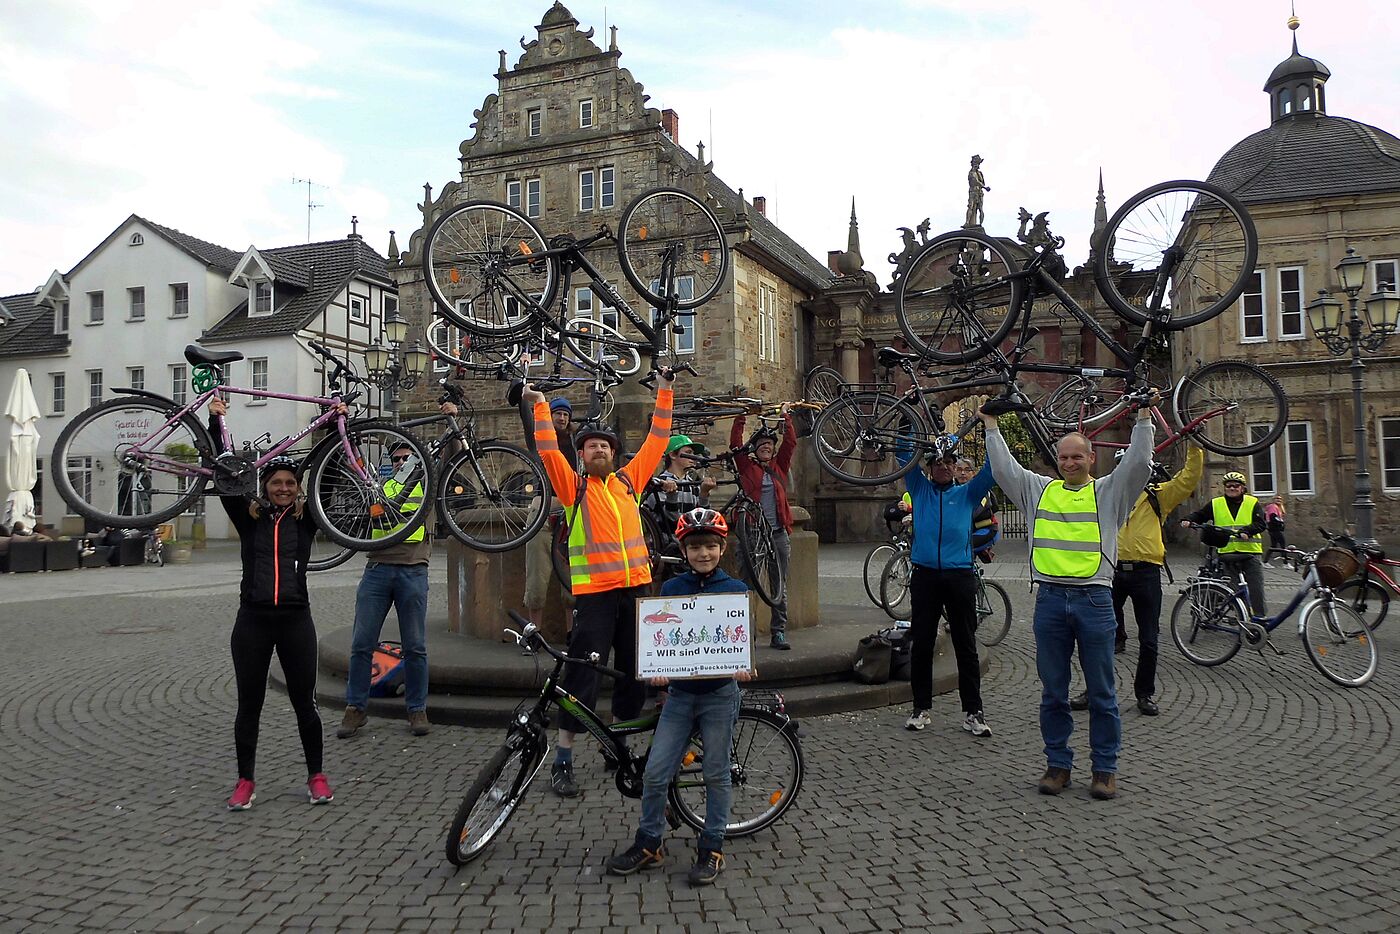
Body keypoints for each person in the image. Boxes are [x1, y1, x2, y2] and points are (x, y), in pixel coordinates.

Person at [981, 402, 1155, 801]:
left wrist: (1145, 419)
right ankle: (1057, 765)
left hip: (1095, 599)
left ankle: (1104, 769)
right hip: (1049, 600)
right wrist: (990, 426)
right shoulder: (1040, 491)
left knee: (1102, 693)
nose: (1069, 463)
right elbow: (1005, 470)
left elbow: (1138, 465)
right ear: (1056, 460)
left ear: (1091, 459)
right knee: (1053, 692)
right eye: (1063, 457)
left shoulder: (1108, 492)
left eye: (1077, 456)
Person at [523, 370, 676, 797]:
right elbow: (547, 449)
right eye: (591, 446)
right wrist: (539, 405)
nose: (599, 450)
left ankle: (617, 744)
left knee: (632, 674)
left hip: (635, 592)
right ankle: (564, 757)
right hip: (594, 597)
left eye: (605, 446)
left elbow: (657, 441)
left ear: (614, 453)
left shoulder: (629, 482)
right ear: (582, 455)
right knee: (582, 676)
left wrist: (665, 392)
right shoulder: (573, 488)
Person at [605, 508, 754, 886]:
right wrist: (657, 669)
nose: (703, 553)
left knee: (716, 773)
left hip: (719, 695)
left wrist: (743, 663)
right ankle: (650, 842)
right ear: (684, 551)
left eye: (710, 546)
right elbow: (659, 637)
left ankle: (712, 846)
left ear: (722, 548)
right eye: (695, 547)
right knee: (655, 773)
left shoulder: (734, 589)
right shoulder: (671, 589)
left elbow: (740, 637)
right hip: (680, 696)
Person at [208, 398, 332, 811]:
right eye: (276, 483)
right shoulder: (249, 518)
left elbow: (331, 473)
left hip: (296, 621)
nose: (283, 488)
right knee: (249, 705)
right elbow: (222, 472)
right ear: (265, 487)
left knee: (305, 703)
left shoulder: (307, 519)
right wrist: (215, 421)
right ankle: (245, 780)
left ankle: (316, 776)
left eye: (290, 484)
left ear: (298, 488)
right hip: (253, 622)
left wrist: (338, 425)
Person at [337, 402, 460, 740]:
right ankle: (355, 708)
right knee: (361, 643)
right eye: (396, 459)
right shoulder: (381, 487)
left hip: (413, 571)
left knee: (415, 646)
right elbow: (351, 463)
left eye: (407, 458)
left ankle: (417, 709)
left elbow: (450, 459)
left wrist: (450, 421)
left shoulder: (427, 484)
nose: (401, 463)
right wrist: (342, 424)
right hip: (377, 569)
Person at [1072, 445, 1204, 717]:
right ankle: (1094, 690)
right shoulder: (1107, 493)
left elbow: (1188, 478)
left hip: (1146, 573)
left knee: (1149, 639)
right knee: (1097, 635)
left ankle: (1145, 694)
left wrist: (1194, 445)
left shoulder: (1158, 496)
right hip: (1112, 571)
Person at [900, 440, 997, 737]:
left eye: (949, 462)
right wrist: (909, 423)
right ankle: (920, 708)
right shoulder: (919, 489)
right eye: (937, 462)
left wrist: (991, 428)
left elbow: (992, 469)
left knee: (965, 644)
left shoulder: (967, 493)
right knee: (923, 643)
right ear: (929, 468)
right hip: (925, 575)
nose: (943, 466)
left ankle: (973, 712)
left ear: (956, 468)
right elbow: (903, 455)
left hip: (959, 575)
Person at [730, 407, 798, 649]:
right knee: (747, 585)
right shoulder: (746, 467)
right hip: (751, 532)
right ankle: (747, 633)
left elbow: (790, 442)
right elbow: (735, 444)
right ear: (755, 448)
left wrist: (786, 417)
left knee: (779, 584)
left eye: (769, 444)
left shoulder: (779, 466)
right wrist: (741, 416)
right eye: (761, 444)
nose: (766, 447)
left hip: (777, 533)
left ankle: (778, 631)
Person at [521, 397, 576, 628]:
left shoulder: (575, 442)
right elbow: (526, 417)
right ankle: (534, 632)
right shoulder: (539, 440)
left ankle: (572, 633)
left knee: (571, 580)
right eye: (558, 414)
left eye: (565, 415)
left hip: (569, 512)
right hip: (542, 512)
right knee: (536, 578)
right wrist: (526, 394)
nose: (562, 418)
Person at [1183, 471, 1268, 617]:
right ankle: (1242, 618)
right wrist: (1188, 519)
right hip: (1228, 554)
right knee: (1233, 591)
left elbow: (1260, 523)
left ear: (1242, 488)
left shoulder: (1252, 502)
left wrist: (1247, 531)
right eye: (1228, 486)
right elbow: (1201, 515)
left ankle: (1259, 619)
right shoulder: (1216, 503)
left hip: (1250, 553)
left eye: (1236, 485)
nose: (1232, 488)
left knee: (1256, 589)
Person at [642, 434, 717, 532]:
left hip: (691, 539)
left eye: (693, 453)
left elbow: (702, 521)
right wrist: (671, 496)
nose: (693, 457)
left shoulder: (693, 484)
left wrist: (704, 494)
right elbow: (671, 524)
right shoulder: (658, 484)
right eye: (688, 453)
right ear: (673, 455)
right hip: (670, 540)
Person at [956, 456, 1000, 557]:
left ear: (974, 473)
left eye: (967, 470)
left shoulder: (980, 490)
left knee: (962, 545)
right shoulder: (952, 490)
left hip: (986, 529)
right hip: (968, 531)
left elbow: (974, 512)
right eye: (959, 469)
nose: (962, 473)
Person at [1264, 493, 1288, 562]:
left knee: (1273, 546)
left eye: (1280, 499)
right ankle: (1285, 563)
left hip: (1272, 529)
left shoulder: (1277, 508)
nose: (1279, 500)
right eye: (1277, 498)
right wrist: (1280, 524)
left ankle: (1265, 561)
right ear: (1273, 500)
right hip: (1275, 529)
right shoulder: (1273, 507)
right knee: (1282, 544)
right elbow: (1273, 518)